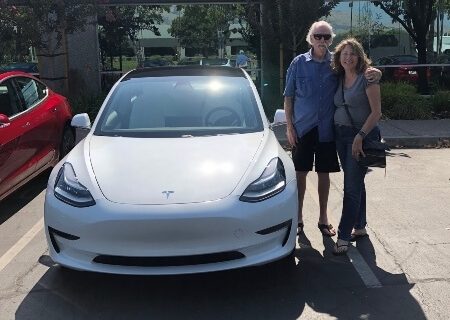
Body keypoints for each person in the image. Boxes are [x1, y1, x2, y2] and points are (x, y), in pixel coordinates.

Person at [283, 21, 381, 237]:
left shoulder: (336, 63)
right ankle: (298, 218)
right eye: (318, 36)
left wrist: (378, 73)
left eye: (326, 36)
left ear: (331, 39)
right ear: (310, 38)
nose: (322, 40)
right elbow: (288, 96)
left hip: (328, 129)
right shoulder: (298, 63)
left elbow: (358, 72)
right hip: (302, 129)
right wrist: (289, 127)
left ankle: (323, 219)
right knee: (300, 174)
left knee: (324, 174)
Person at [331, 38, 383, 255]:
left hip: (359, 136)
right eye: (344, 54)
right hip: (340, 136)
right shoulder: (339, 77)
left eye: (352, 54)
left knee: (350, 188)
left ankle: (344, 235)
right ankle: (359, 226)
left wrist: (360, 136)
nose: (348, 57)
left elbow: (376, 112)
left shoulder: (368, 78)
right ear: (339, 57)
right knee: (356, 182)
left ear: (359, 56)